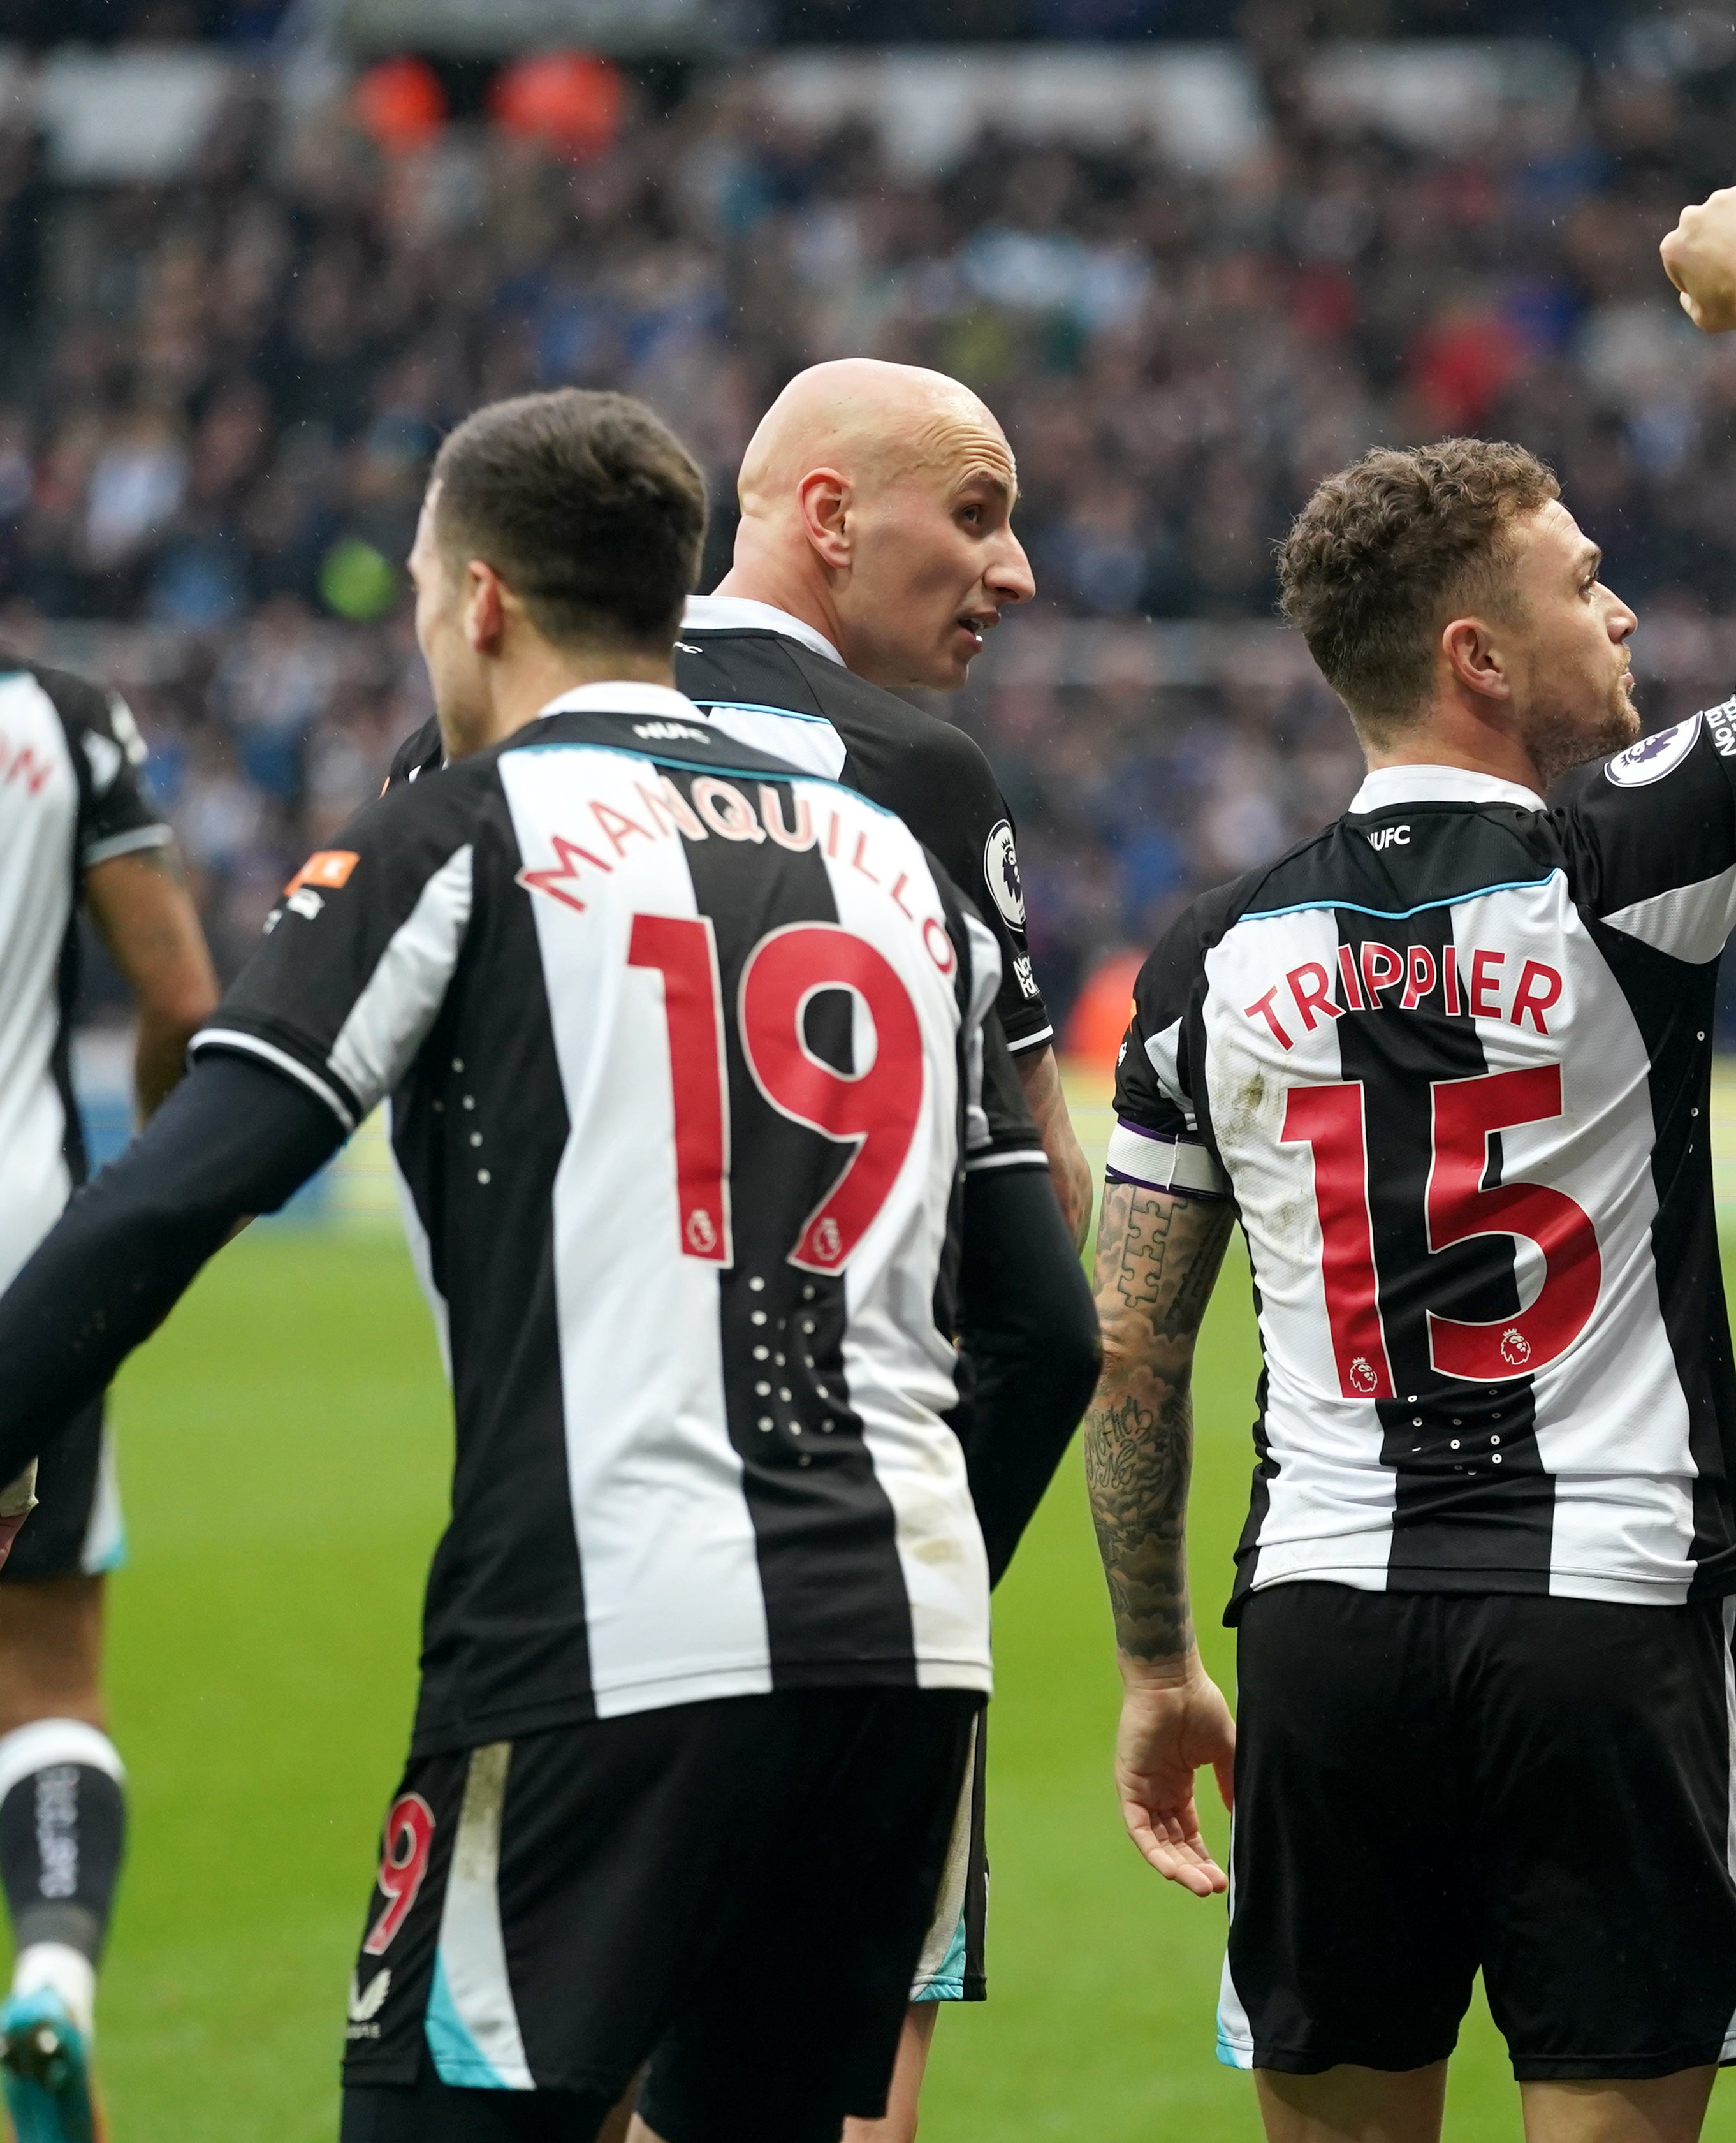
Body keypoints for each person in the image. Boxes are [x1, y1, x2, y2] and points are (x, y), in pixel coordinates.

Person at [0, 388, 1047, 2143]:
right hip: (905, 1647)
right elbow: (1043, 1320)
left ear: (476, 600)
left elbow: (176, 1189)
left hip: (606, 1620)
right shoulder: (894, 850)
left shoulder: (468, 825)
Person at [1079, 181, 1736, 2143]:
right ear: (1481, 659)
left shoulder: (1205, 957)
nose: (1627, 609)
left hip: (1318, 1625)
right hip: (1604, 1619)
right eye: (1587, 584)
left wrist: (1155, 1656)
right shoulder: (1626, 866)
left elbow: (1133, 1357)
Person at [384, 361, 1102, 2142]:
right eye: (980, 514)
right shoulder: (915, 780)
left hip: (586, 1553)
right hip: (868, 1572)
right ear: (827, 515)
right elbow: (1045, 1229)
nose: (1014, 574)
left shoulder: (487, 734)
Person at [0, 647, 217, 2141]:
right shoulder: (61, 720)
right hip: (27, 1257)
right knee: (49, 1680)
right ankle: (58, 1983)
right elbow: (181, 994)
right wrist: (143, 1192)